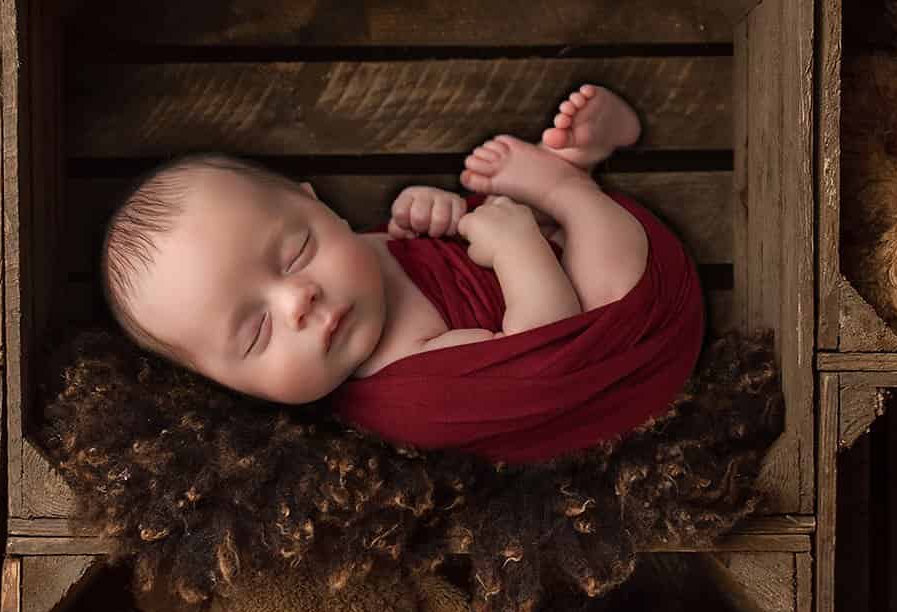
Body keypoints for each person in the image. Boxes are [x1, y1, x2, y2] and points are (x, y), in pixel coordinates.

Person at [100, 85, 704, 464]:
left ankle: (571, 181)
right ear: (233, 389)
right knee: (617, 277)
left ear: (320, 205)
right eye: (256, 332)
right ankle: (568, 186)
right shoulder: (411, 393)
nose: (298, 300)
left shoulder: (357, 263)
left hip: (535, 255)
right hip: (629, 353)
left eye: (296, 252)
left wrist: (427, 214)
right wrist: (516, 239)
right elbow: (548, 339)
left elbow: (426, 255)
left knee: (510, 218)